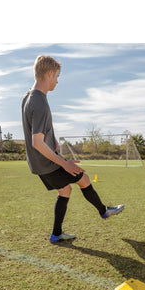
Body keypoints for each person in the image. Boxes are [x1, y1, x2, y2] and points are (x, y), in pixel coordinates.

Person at [22, 55, 124, 243]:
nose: (58, 81)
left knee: (65, 191)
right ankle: (104, 211)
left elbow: (36, 133)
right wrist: (65, 164)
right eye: (57, 76)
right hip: (46, 162)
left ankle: (56, 234)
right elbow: (37, 142)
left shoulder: (29, 96)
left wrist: (53, 142)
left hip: (37, 163)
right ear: (49, 73)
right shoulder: (40, 102)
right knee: (83, 178)